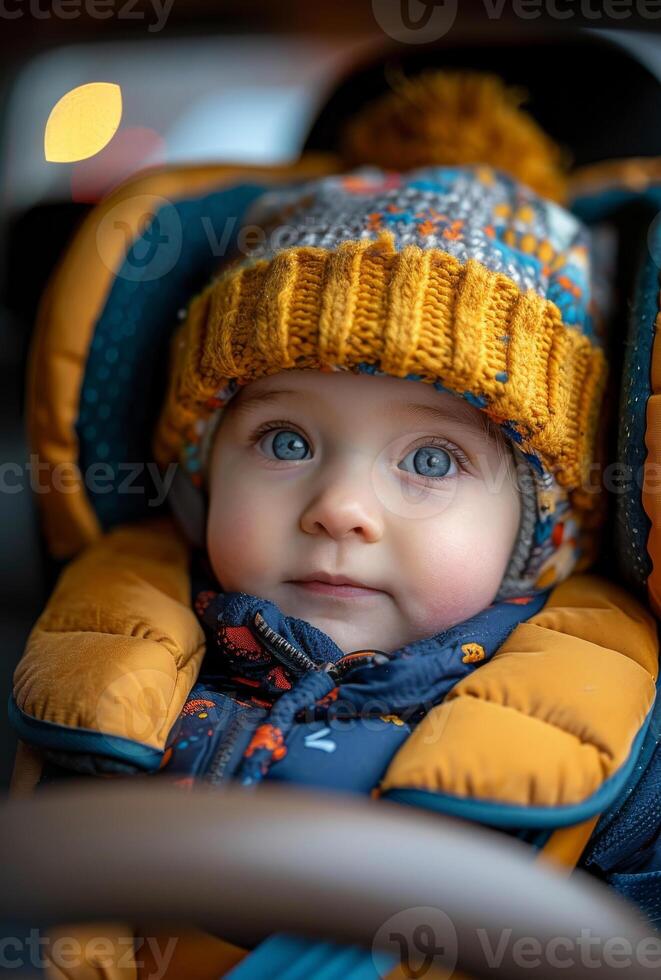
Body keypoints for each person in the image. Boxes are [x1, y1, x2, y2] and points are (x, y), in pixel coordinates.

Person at [12, 72, 661, 976]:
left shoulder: (621, 769)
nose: (340, 509)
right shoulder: (74, 670)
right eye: (284, 440)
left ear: (539, 534)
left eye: (431, 461)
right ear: (200, 481)